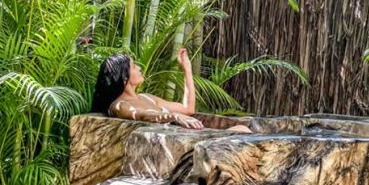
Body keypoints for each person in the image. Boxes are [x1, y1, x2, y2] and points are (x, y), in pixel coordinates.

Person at [91, 48, 250, 132]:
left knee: (243, 130)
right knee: (242, 132)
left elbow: (188, 109)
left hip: (192, 136)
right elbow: (142, 115)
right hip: (181, 149)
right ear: (123, 77)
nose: (139, 68)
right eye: (133, 66)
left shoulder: (147, 97)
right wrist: (174, 116)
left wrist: (187, 70)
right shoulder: (120, 106)